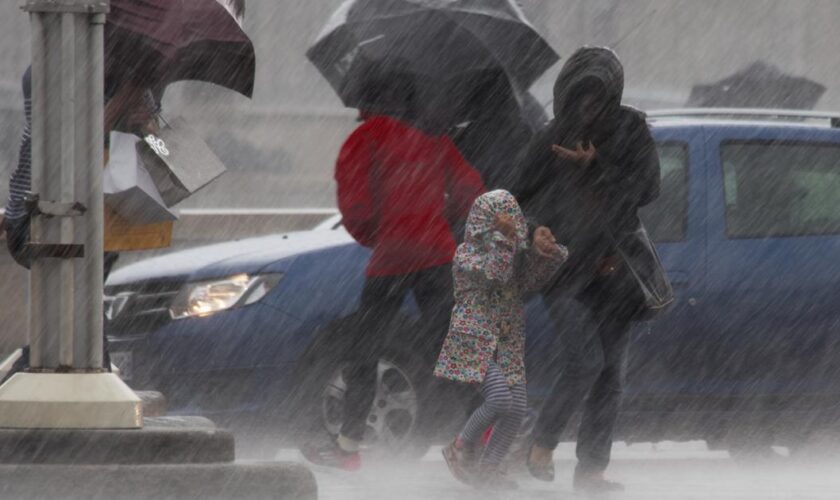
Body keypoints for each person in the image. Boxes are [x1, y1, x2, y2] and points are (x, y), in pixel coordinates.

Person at [301, 77, 486, 471]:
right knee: (451, 346)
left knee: (364, 351)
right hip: (437, 255)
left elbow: (356, 209)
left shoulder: (364, 139)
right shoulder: (434, 138)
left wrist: (380, 234)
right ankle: (484, 434)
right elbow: (472, 189)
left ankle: (347, 447)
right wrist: (440, 218)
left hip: (392, 259)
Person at [511, 46, 661, 493]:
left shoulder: (631, 129)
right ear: (566, 95)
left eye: (598, 97)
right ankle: (540, 442)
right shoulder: (550, 137)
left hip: (615, 271)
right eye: (580, 97)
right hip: (563, 273)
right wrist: (535, 230)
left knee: (611, 374)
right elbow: (515, 198)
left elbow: (649, 188)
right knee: (585, 361)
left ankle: (592, 470)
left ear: (613, 95)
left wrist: (598, 166)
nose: (588, 107)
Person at [2, 66, 160, 380]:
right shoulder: (58, 64)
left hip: (104, 219)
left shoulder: (132, 77)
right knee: (78, 310)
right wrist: (119, 103)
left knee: (81, 313)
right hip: (46, 215)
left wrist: (146, 122)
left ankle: (47, 368)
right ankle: (41, 369)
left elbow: (160, 149)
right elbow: (65, 148)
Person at [434, 190, 567, 489]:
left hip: (506, 340)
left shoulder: (512, 253)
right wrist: (505, 240)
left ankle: (489, 467)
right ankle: (458, 446)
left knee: (516, 408)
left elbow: (530, 281)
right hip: (473, 338)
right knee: (499, 398)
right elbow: (494, 273)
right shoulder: (466, 254)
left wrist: (545, 253)